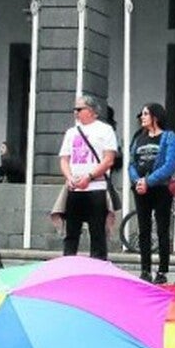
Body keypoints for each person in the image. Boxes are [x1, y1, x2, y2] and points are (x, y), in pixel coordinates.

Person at [55, 95, 118, 261]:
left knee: (97, 232)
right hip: (74, 187)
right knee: (71, 232)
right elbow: (64, 159)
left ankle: (98, 266)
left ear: (91, 111)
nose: (76, 112)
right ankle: (68, 265)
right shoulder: (71, 132)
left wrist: (89, 177)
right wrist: (69, 177)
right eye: (75, 109)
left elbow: (109, 159)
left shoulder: (105, 130)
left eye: (79, 109)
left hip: (96, 188)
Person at [128, 103, 175, 283]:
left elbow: (169, 164)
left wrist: (148, 182)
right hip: (141, 189)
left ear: (155, 117)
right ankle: (145, 269)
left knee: (162, 228)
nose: (142, 118)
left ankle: (162, 270)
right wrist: (137, 181)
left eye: (145, 114)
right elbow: (131, 163)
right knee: (144, 229)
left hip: (161, 189)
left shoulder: (169, 137)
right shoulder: (138, 138)